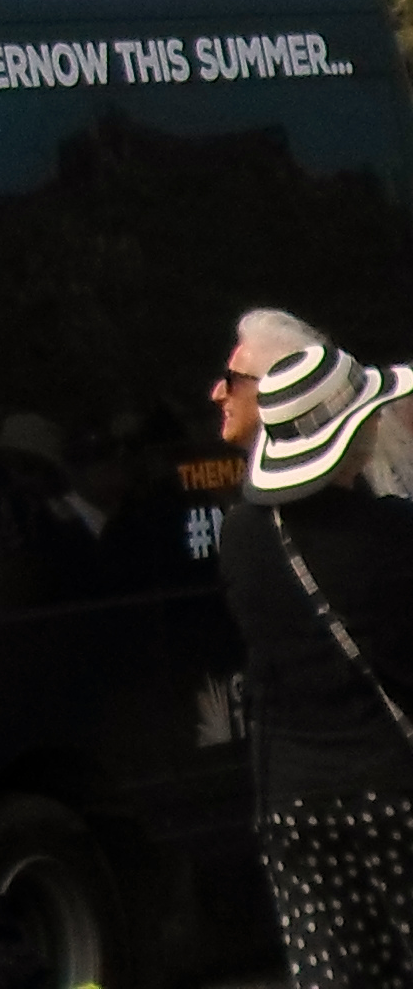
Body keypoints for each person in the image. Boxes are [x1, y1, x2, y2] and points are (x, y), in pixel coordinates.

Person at [214, 310, 413, 989]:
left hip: (293, 799)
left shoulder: (240, 536)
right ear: (354, 435)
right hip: (393, 789)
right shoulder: (393, 535)